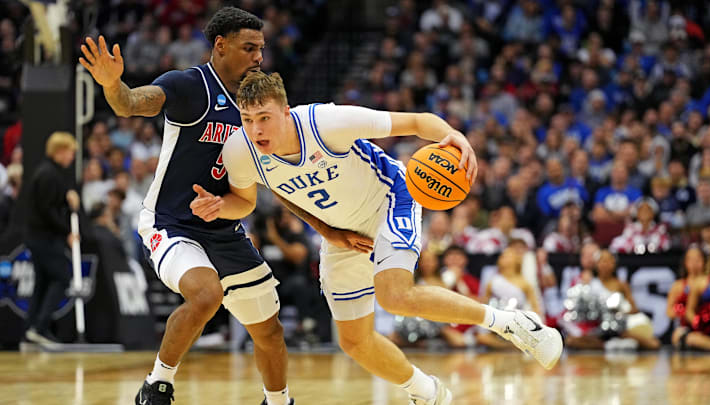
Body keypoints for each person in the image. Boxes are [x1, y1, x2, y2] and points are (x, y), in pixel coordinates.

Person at [194, 71, 563, 404]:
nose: (256, 130)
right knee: (355, 343)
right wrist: (220, 208)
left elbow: (417, 121)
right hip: (343, 233)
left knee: (395, 294)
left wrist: (454, 136)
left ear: (286, 112)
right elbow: (247, 201)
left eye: (264, 118)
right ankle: (428, 393)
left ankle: (513, 324)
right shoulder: (241, 152)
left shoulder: (327, 122)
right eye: (247, 120)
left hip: (390, 199)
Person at [79, 8, 370, 405]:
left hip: (224, 224)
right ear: (220, 45)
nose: (258, 58)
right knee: (206, 294)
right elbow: (131, 103)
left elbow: (277, 181)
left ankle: (279, 401)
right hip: (171, 222)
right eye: (249, 48)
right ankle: (157, 385)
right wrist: (113, 85)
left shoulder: (257, 108)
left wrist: (329, 231)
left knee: (269, 331)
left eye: (261, 49)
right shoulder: (188, 86)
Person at [24, 132, 80, 347]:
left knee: (43, 282)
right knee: (61, 278)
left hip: (39, 236)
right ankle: (39, 327)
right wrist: (67, 230)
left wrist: (67, 200)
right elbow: (47, 210)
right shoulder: (49, 174)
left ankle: (31, 330)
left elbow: (52, 205)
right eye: (70, 152)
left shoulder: (50, 173)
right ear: (59, 151)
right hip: (43, 237)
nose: (72, 157)